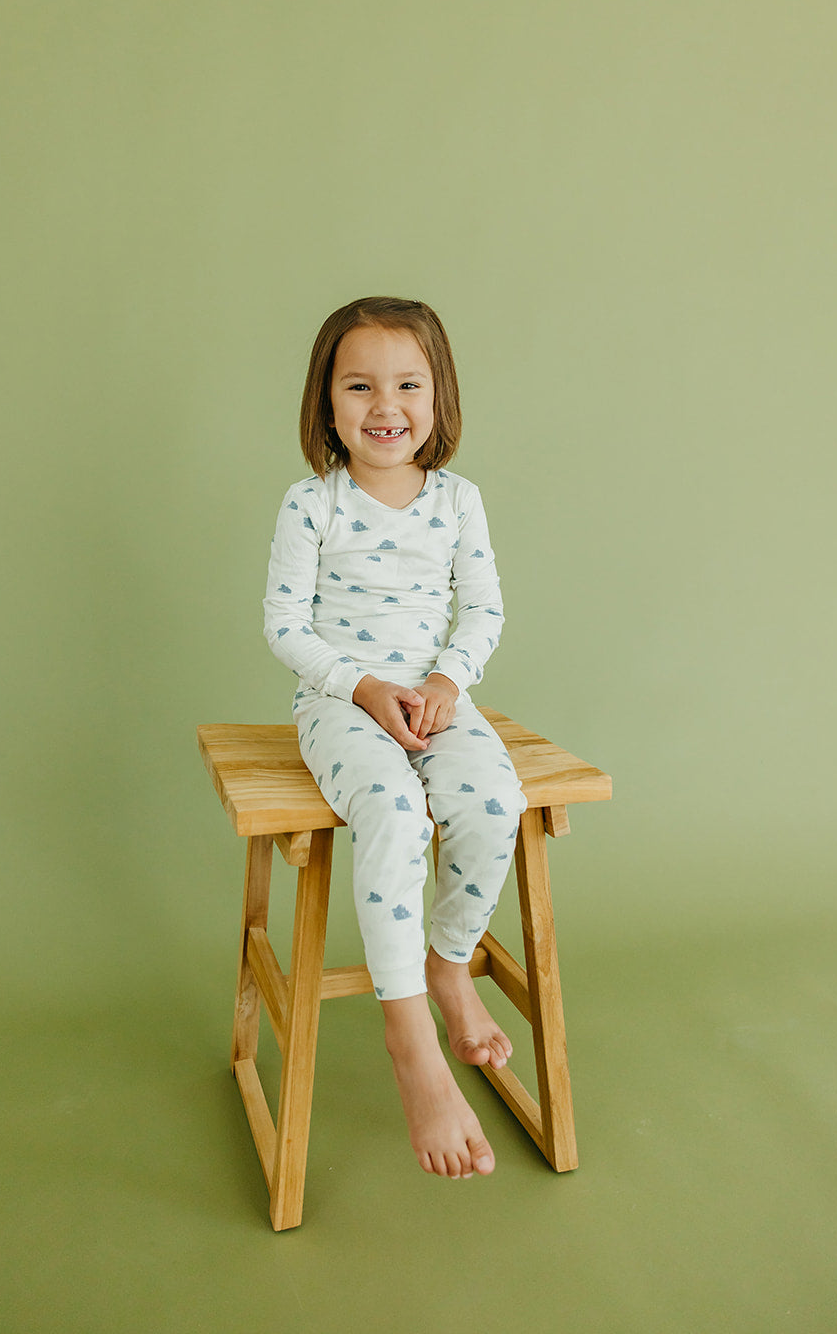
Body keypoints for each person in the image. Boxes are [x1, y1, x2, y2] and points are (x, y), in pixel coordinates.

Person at [263, 295, 526, 1179]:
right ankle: (409, 1035)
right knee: (393, 811)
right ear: (326, 403)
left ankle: (448, 966)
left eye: (408, 384)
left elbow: (482, 611)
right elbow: (285, 626)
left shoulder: (457, 500)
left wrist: (446, 683)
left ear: (438, 395)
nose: (386, 406)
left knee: (493, 803)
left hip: (436, 697)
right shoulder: (312, 504)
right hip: (341, 701)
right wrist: (363, 688)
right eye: (359, 386)